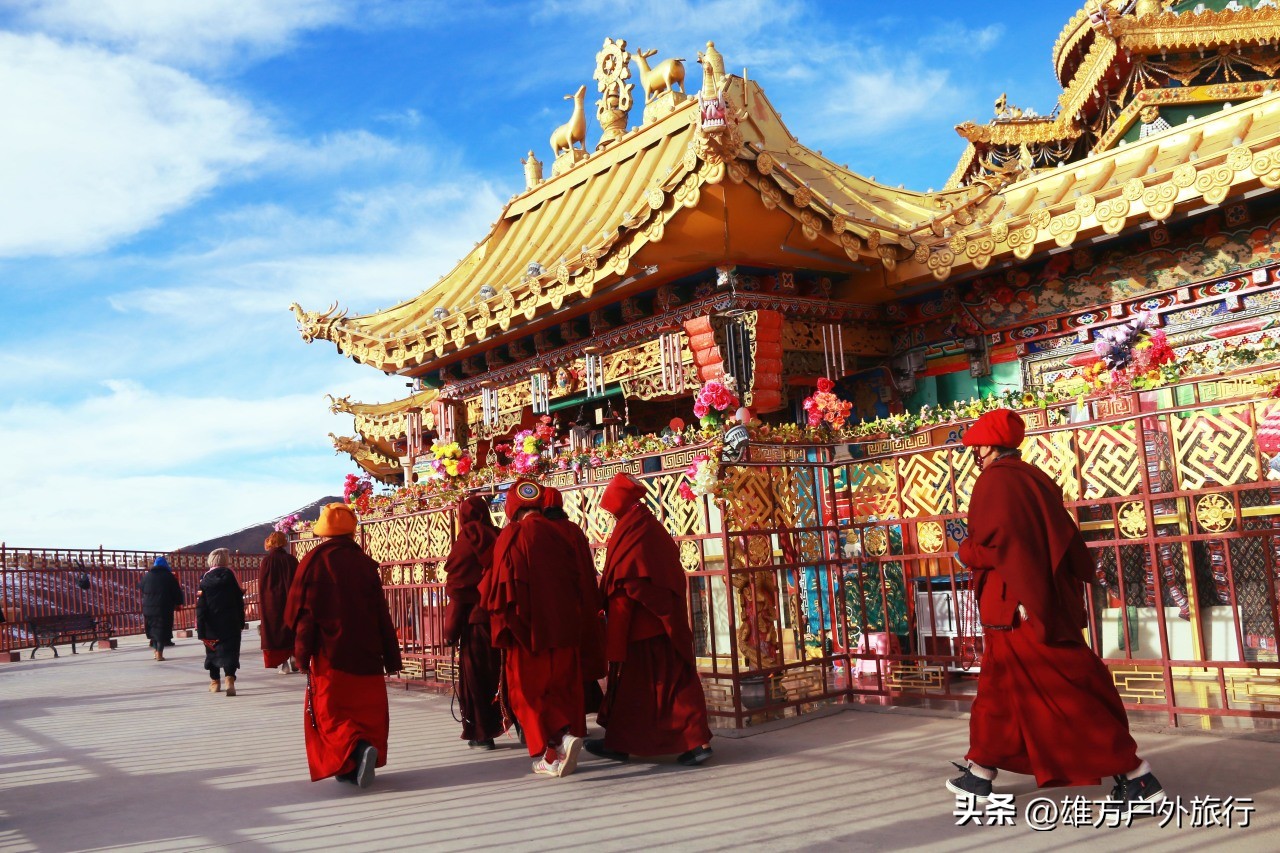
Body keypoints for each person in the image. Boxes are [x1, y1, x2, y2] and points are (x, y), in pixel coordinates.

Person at [948, 408, 1164, 809]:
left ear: (990, 446)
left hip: (1018, 607)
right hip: (1025, 603)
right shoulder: (1031, 477)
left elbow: (1002, 544)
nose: (974, 453)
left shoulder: (996, 480)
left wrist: (966, 553)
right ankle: (980, 773)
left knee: (1067, 692)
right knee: (1000, 693)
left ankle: (1137, 776)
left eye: (977, 445)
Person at [587, 473, 713, 767]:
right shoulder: (641, 524)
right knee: (657, 687)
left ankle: (695, 742)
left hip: (645, 625)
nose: (610, 515)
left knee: (658, 687)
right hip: (656, 622)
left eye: (610, 509)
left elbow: (630, 580)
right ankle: (623, 743)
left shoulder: (637, 530)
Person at [286, 502, 402, 789]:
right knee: (366, 710)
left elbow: (306, 615)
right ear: (351, 532)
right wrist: (392, 655)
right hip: (368, 652)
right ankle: (355, 762)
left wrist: (301, 654)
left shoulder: (313, 563)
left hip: (330, 654)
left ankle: (358, 750)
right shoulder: (364, 564)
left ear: (322, 532)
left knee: (331, 713)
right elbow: (381, 613)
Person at [482, 479, 592, 778]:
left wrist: (505, 627)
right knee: (557, 690)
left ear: (512, 508)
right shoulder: (561, 534)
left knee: (527, 695)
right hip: (564, 629)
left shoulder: (512, 535)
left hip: (528, 633)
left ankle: (557, 743)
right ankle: (555, 752)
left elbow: (499, 588)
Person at [443, 495, 506, 749]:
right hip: (504, 617)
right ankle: (521, 726)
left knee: (478, 679)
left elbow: (459, 588)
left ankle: (483, 733)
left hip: (477, 622)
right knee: (507, 674)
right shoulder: (500, 536)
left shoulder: (466, 540)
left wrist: (450, 630)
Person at [541, 486, 607, 716]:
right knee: (582, 654)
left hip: (559, 601)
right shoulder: (574, 529)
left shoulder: (542, 531)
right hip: (582, 599)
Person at [196, 548, 246, 696]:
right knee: (231, 651)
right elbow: (239, 602)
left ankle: (215, 682)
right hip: (231, 622)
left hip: (211, 624)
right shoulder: (231, 577)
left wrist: (200, 628)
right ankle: (229, 680)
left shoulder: (205, 580)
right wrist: (241, 622)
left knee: (212, 652)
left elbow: (201, 606)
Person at [259, 531, 300, 673]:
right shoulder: (291, 560)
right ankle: (294, 656)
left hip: (272, 602)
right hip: (290, 599)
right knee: (291, 627)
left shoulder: (266, 561)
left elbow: (262, 585)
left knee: (275, 631)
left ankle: (284, 664)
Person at [140, 556, 184, 661]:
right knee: (161, 630)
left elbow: (141, 588)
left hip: (148, 608)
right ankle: (159, 653)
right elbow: (176, 592)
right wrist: (178, 602)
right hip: (164, 608)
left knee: (153, 629)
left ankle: (155, 652)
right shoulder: (169, 576)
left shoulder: (147, 576)